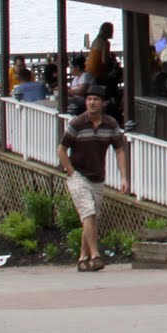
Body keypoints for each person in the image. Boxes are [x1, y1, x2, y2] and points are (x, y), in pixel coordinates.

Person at [57, 84, 130, 272]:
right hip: (78, 175)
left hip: (98, 176)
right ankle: (96, 255)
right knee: (88, 212)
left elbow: (120, 150)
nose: (92, 102)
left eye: (96, 99)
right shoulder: (77, 124)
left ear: (103, 103)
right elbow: (62, 149)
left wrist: (124, 177)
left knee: (91, 218)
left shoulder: (111, 125)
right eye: (89, 99)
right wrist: (70, 170)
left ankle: (82, 258)